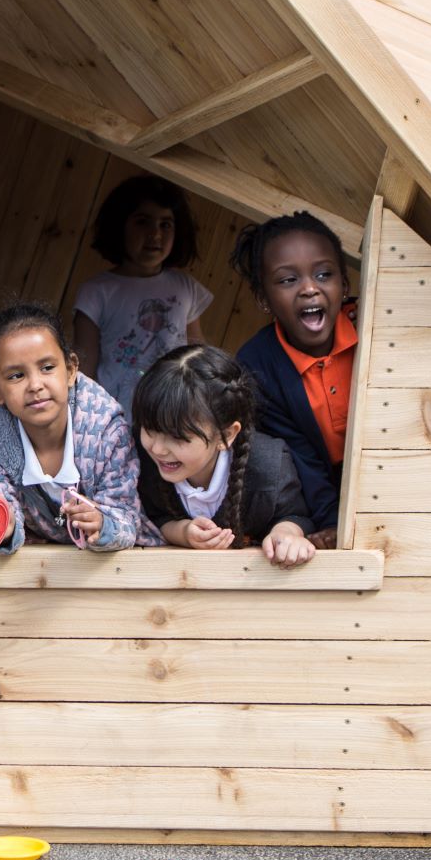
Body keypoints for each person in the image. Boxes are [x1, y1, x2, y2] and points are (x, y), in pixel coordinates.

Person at [0, 303, 157, 553]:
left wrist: (103, 523)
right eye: (16, 376)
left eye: (47, 368)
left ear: (70, 370)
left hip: (114, 569)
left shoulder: (107, 431)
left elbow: (126, 517)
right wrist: (6, 527)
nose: (35, 385)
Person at [230, 212, 356, 547]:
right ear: (263, 299)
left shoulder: (372, 328)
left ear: (345, 285)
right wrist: (333, 526)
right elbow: (300, 459)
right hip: (314, 492)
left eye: (324, 274)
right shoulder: (258, 364)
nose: (310, 288)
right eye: (288, 280)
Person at [131, 344, 316, 567]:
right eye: (150, 429)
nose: (158, 448)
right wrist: (182, 532)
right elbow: (154, 516)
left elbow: (295, 516)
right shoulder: (139, 460)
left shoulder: (269, 467)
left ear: (226, 435)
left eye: (178, 437)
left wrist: (286, 534)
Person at [73, 175, 212, 415]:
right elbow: (84, 369)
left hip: (170, 414)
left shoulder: (184, 287)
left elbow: (197, 354)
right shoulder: (96, 292)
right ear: (119, 225)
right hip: (114, 418)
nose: (155, 234)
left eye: (165, 224)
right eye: (142, 222)